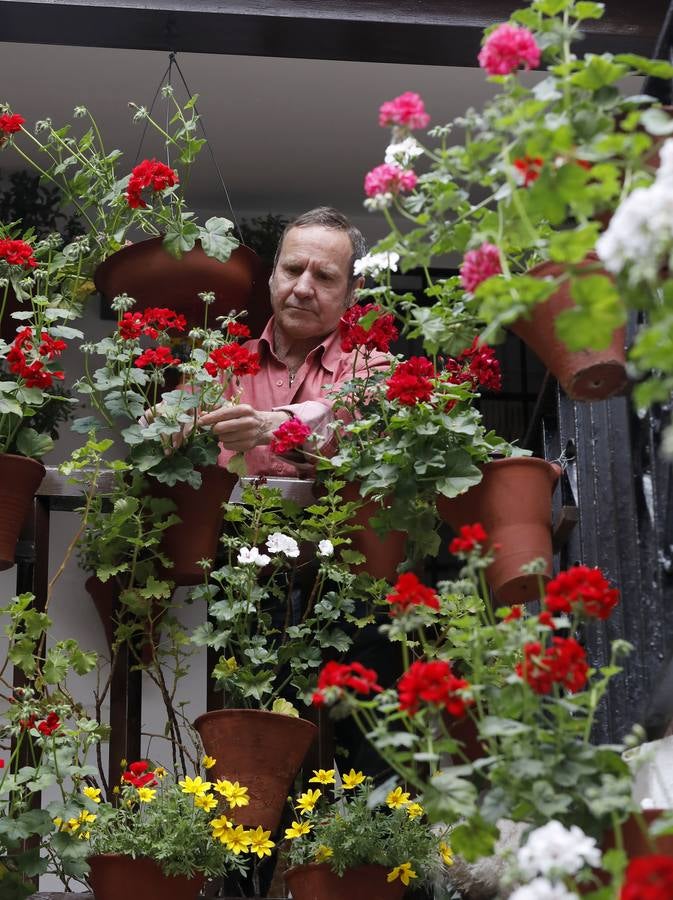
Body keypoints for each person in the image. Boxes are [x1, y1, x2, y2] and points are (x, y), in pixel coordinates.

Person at [196, 206, 388, 474]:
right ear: (273, 276)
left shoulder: (371, 368)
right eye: (293, 269)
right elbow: (179, 415)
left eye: (324, 277)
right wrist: (166, 420)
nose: (302, 289)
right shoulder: (224, 364)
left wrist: (271, 425)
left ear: (354, 292)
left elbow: (343, 416)